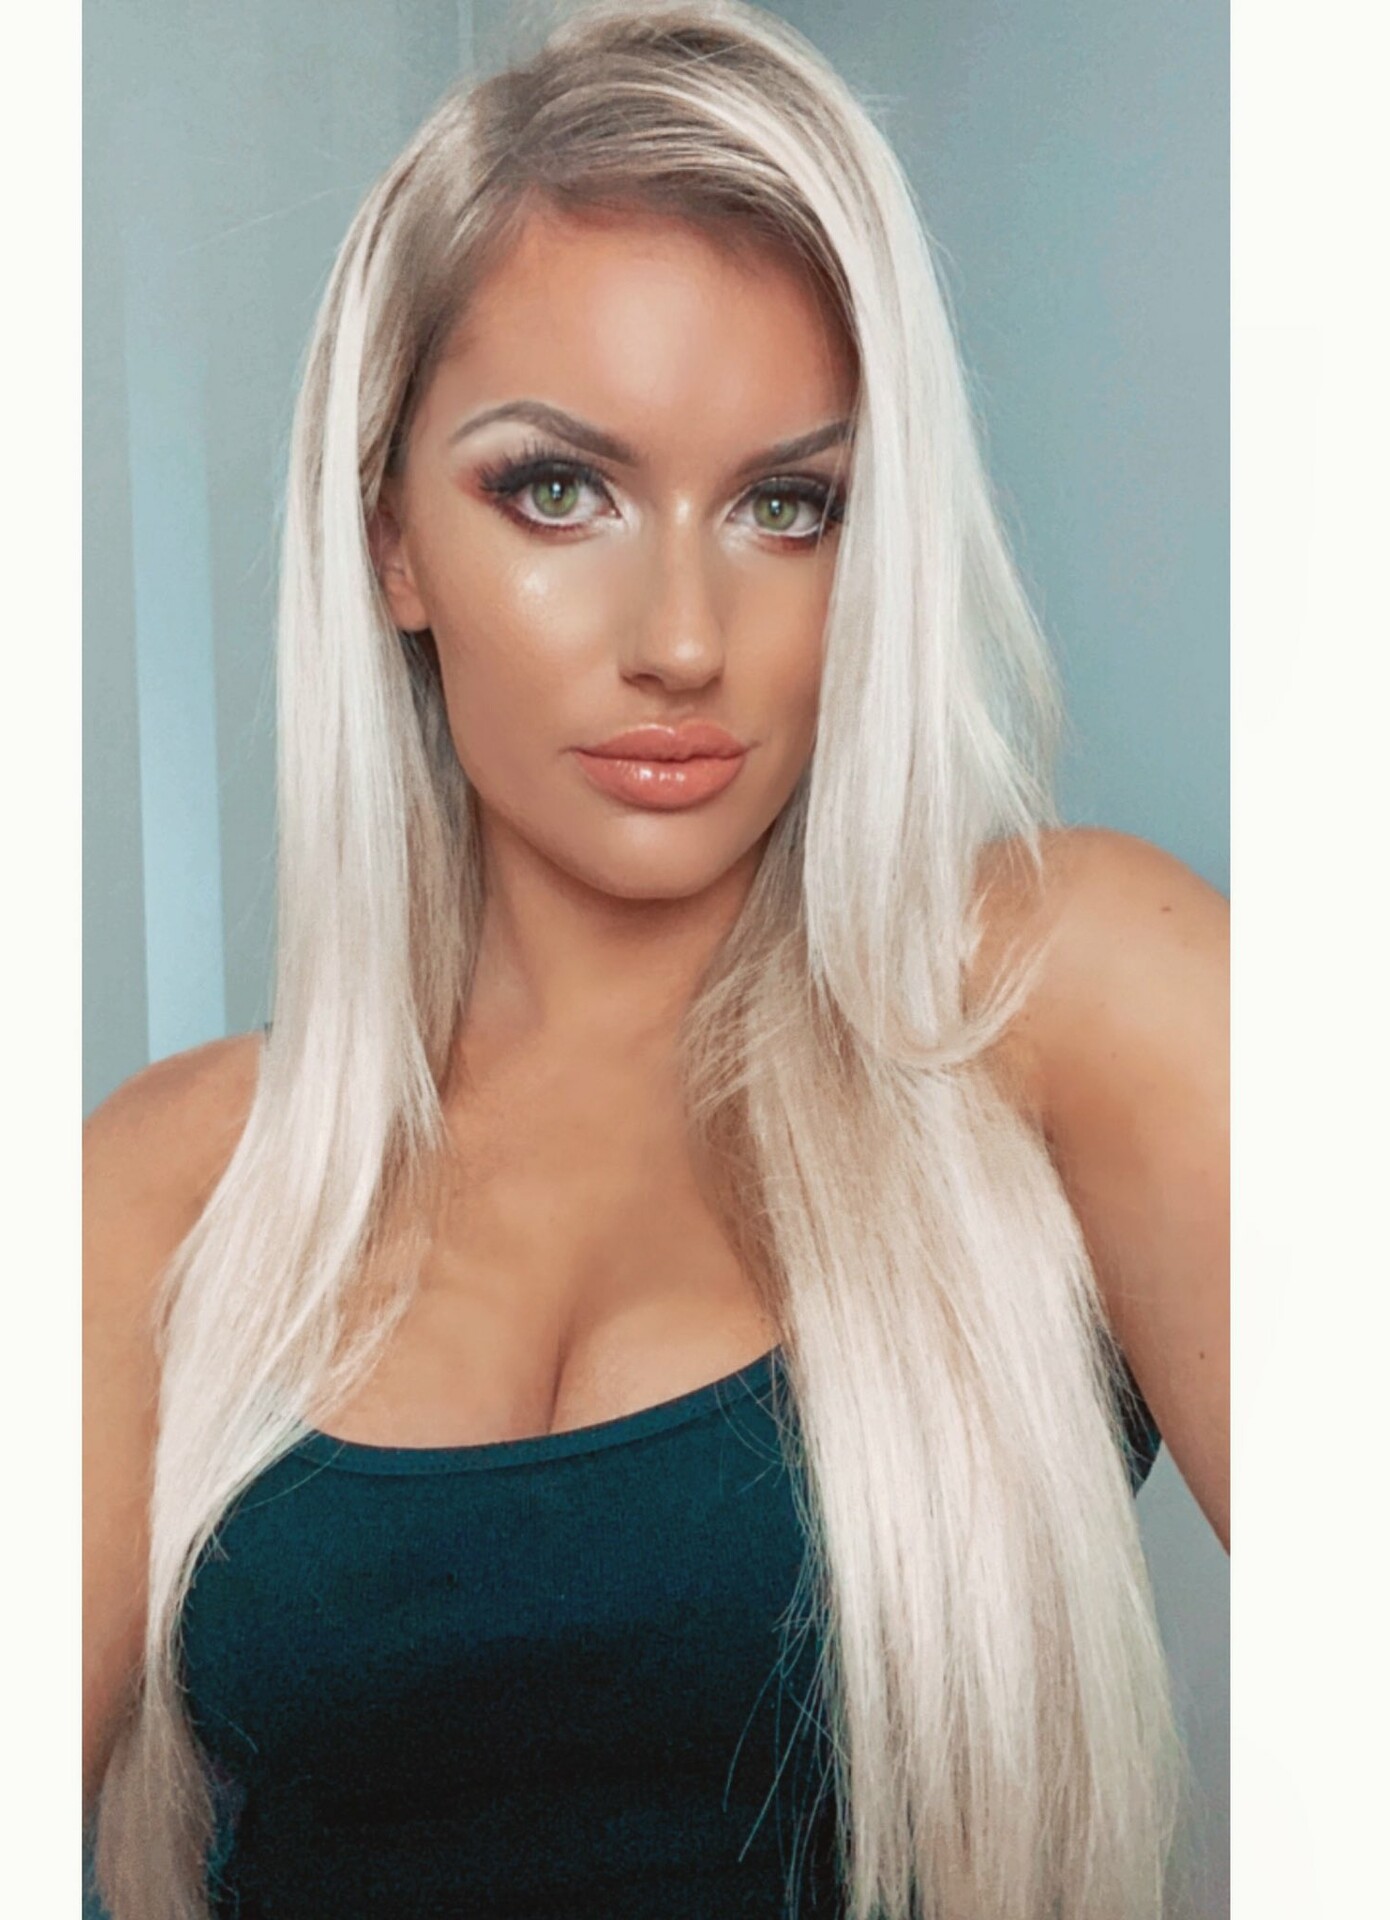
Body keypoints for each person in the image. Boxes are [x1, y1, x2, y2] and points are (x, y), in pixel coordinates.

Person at [83, 4, 1228, 1917]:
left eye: (789, 506)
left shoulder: (1049, 1004)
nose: (684, 637)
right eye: (558, 490)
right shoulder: (179, 1186)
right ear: (390, 541)